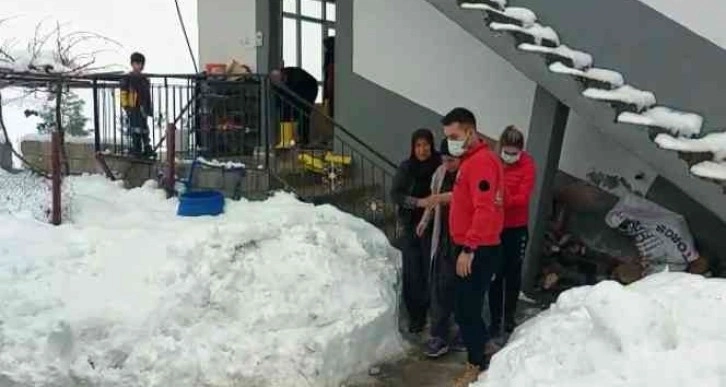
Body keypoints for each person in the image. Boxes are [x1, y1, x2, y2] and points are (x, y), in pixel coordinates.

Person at [442, 108, 504, 386]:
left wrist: (468, 249)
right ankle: (483, 350)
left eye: (454, 135)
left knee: (466, 308)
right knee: (465, 305)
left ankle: (475, 364)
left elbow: (484, 208)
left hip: (475, 249)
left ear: (470, 131)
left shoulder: (481, 163)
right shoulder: (470, 160)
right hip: (468, 245)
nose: (450, 141)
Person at [416, 138, 465, 358]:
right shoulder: (439, 174)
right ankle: (439, 336)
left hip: (462, 241)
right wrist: (424, 222)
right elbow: (433, 202)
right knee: (439, 287)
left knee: (462, 288)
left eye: (452, 160)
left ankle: (461, 332)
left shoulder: (467, 174)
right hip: (443, 238)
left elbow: (465, 198)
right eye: (445, 159)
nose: (448, 164)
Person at [390, 128, 442, 334]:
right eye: (418, 145)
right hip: (411, 225)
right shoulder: (407, 167)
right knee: (413, 271)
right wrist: (419, 202)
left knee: (431, 270)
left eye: (426, 145)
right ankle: (416, 316)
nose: (422, 149)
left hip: (435, 225)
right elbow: (396, 194)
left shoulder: (440, 166)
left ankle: (434, 312)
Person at [488, 125, 536, 338]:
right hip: (495, 227)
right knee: (495, 275)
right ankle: (495, 319)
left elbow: (522, 197)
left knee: (512, 273)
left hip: (516, 228)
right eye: (506, 152)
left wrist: (504, 199)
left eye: (514, 153)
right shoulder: (493, 162)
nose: (509, 156)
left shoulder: (527, 165)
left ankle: (509, 317)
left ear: (521, 151)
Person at [270, 67, 319, 146]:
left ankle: (304, 140)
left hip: (309, 88)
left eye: (281, 81)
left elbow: (293, 95)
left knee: (303, 114)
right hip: (297, 90)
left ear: (283, 76)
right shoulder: (279, 80)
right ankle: (286, 139)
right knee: (285, 112)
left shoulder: (296, 77)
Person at [120, 52, 153, 157]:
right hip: (133, 106)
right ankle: (136, 149)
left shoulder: (144, 79)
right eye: (136, 63)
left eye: (140, 64)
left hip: (142, 106)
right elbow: (123, 93)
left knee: (144, 128)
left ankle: (147, 148)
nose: (138, 66)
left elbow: (147, 95)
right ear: (132, 64)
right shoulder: (128, 78)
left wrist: (148, 108)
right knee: (135, 128)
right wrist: (126, 106)